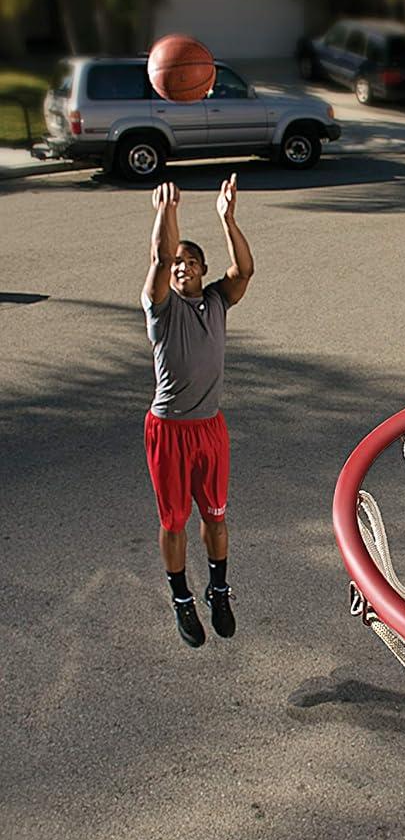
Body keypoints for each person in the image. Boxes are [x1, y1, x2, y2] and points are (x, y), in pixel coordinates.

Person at [141, 174, 254, 647]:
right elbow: (159, 257)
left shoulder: (215, 302)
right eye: (177, 264)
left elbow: (244, 271)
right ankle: (181, 597)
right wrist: (166, 214)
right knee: (174, 522)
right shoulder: (161, 309)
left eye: (190, 261)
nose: (181, 266)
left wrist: (227, 219)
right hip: (169, 431)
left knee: (216, 518)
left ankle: (219, 589)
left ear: (204, 269)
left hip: (210, 429)